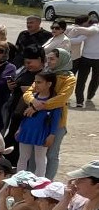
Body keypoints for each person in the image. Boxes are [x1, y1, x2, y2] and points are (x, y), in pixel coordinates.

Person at [23, 47, 77, 179]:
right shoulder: (45, 74)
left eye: (52, 59)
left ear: (61, 60)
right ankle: (30, 182)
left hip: (56, 120)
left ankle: (48, 182)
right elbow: (28, 92)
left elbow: (62, 99)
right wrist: (33, 101)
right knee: (34, 154)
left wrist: (39, 106)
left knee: (52, 154)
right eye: (48, 59)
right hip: (38, 120)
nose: (49, 62)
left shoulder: (69, 79)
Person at [16, 72, 61, 177]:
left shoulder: (54, 102)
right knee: (23, 157)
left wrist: (52, 135)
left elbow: (55, 120)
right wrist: (20, 128)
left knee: (40, 159)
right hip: (26, 130)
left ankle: (39, 181)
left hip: (42, 132)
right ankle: (18, 180)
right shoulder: (32, 98)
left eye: (39, 82)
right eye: (35, 82)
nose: (36, 85)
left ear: (49, 84)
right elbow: (25, 115)